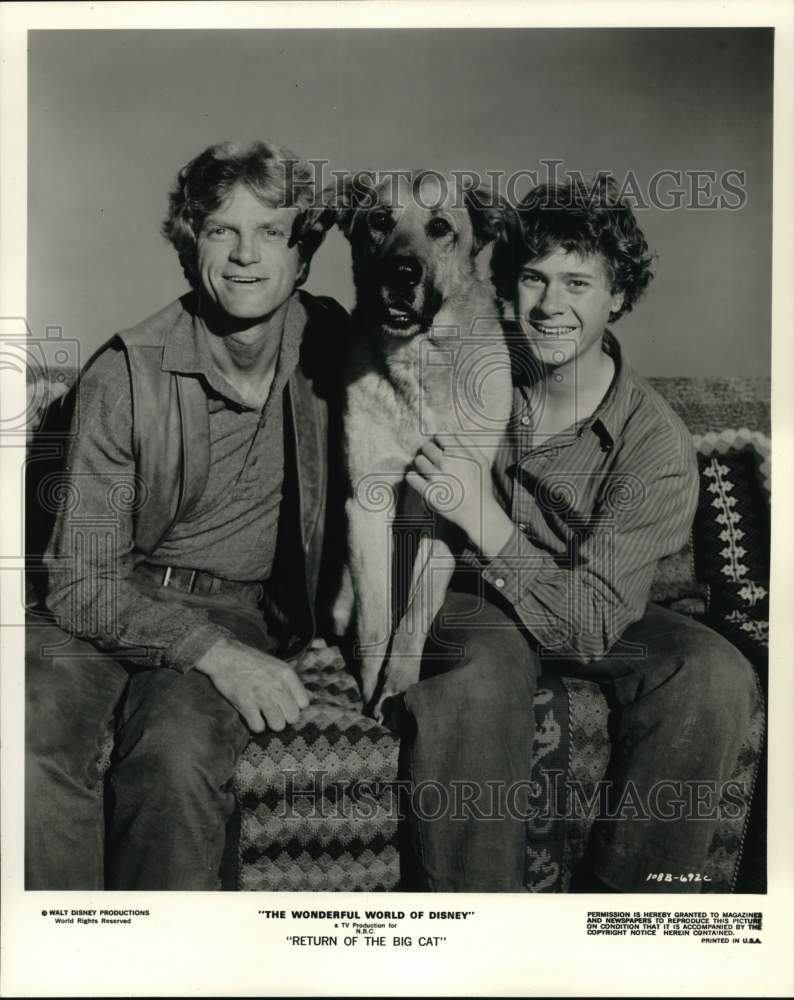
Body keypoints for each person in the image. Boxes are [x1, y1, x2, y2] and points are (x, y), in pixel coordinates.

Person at [400, 174, 758, 892]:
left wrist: (482, 515)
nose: (550, 306)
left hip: (595, 602)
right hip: (482, 598)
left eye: (578, 283)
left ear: (618, 296)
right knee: (473, 670)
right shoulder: (468, 363)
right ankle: (473, 939)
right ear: (509, 285)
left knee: (714, 669)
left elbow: (594, 618)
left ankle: (628, 931)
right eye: (533, 279)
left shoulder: (655, 441)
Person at [25, 140, 345, 890]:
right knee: (25, 733)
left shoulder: (335, 347)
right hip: (104, 600)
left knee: (173, 755)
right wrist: (214, 655)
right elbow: (80, 583)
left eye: (272, 231)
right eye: (219, 231)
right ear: (186, 245)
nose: (244, 256)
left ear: (304, 255)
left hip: (236, 606)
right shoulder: (124, 372)